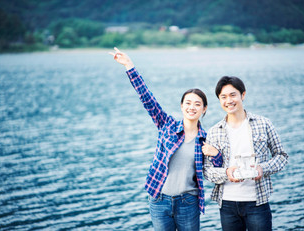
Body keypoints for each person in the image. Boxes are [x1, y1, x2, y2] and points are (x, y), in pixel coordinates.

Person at [109, 47, 222, 231]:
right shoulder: (166, 125)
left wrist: (216, 154)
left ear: (204, 109)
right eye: (188, 103)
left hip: (188, 202)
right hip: (159, 200)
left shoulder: (207, 140)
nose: (192, 107)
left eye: (197, 104)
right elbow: (147, 98)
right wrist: (129, 66)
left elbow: (217, 171)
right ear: (181, 106)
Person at [202, 76, 288, 231]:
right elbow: (207, 171)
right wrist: (226, 173)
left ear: (243, 95)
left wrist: (263, 168)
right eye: (223, 97)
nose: (229, 100)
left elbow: (282, 156)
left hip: (257, 201)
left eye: (233, 95)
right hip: (227, 204)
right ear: (219, 100)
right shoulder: (214, 132)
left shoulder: (263, 123)